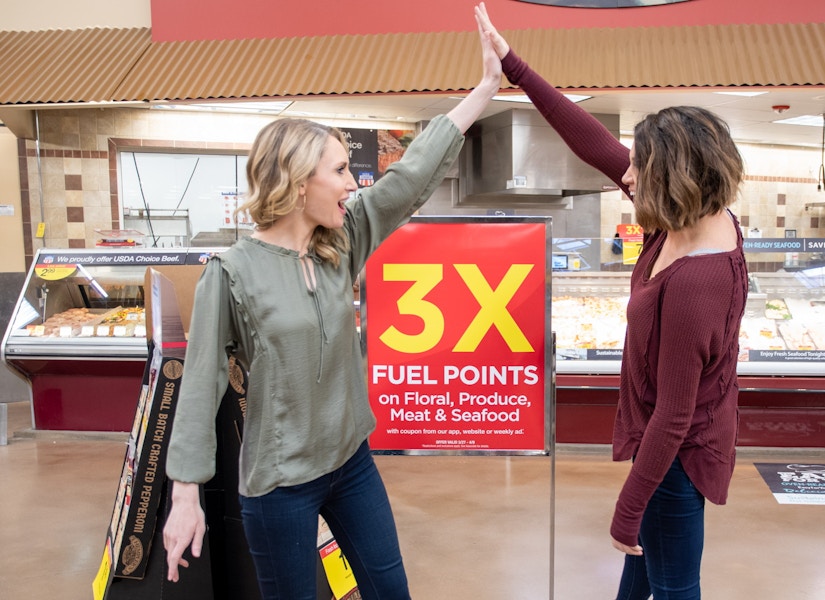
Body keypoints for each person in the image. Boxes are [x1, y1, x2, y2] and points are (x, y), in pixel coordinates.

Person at [162, 9, 501, 599]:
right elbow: (200, 386)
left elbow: (411, 177)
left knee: (390, 591)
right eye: (340, 170)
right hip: (280, 488)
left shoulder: (341, 241)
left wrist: (487, 88)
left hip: (352, 466)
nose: (352, 183)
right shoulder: (232, 271)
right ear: (298, 183)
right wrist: (184, 495)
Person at [475, 4, 748, 599]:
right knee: (639, 583)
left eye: (641, 167)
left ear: (673, 178)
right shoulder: (687, 218)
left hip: (676, 457)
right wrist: (513, 65)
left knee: (674, 587)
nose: (628, 176)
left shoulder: (696, 280)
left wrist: (627, 508)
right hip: (668, 444)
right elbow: (595, 144)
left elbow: (674, 415)